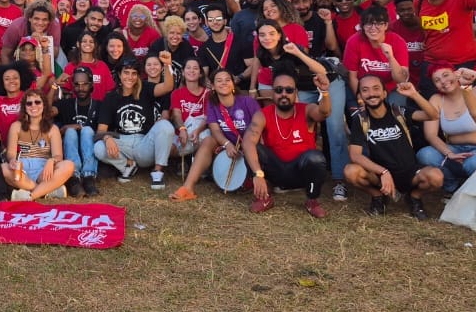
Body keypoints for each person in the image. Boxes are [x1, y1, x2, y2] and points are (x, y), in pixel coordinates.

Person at [344, 78, 443, 219]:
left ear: (385, 93)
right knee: (351, 171)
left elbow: (433, 115)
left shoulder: (399, 112)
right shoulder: (360, 120)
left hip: (409, 171)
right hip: (380, 175)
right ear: (360, 96)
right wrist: (383, 172)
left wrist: (414, 94)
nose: (371, 93)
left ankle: (414, 197)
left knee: (436, 177)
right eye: (365, 90)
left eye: (376, 88)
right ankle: (378, 198)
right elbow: (355, 155)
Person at [241, 71, 333, 217]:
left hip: (300, 173)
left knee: (315, 157)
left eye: (289, 90)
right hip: (276, 171)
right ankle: (265, 198)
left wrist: (325, 92)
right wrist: (257, 174)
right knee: (252, 147)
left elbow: (324, 113)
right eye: (279, 90)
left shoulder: (306, 109)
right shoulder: (263, 114)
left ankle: (312, 200)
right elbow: (248, 141)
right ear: (272, 93)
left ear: (295, 92)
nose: (284, 94)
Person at [171, 68, 260, 201]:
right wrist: (227, 144)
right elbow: (215, 130)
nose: (223, 83)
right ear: (212, 86)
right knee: (208, 140)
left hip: (250, 145)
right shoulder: (213, 105)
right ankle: (188, 187)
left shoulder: (248, 102)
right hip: (227, 145)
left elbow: (259, 128)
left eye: (227, 80)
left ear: (233, 84)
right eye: (219, 80)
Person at [412, 67, 476, 192]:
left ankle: (475, 191)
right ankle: (452, 188)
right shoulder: (436, 99)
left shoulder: (475, 92)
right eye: (437, 80)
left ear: (456, 74)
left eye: (446, 75)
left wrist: (473, 74)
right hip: (454, 151)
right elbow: (430, 135)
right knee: (425, 154)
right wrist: (449, 153)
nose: (443, 81)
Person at [94, 59, 177, 188]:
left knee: (165, 125)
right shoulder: (111, 97)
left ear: (138, 76)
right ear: (119, 75)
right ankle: (128, 165)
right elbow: (100, 130)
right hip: (122, 142)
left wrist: (167, 65)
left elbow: (167, 87)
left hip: (144, 143)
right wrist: (107, 138)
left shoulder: (145, 89)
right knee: (99, 147)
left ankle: (158, 172)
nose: (130, 77)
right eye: (126, 73)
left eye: (134, 73)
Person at [4, 89, 74, 201]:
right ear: (25, 107)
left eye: (37, 102)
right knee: (2, 168)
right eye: (29, 103)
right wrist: (12, 160)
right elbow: (11, 153)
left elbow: (58, 156)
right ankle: (46, 190)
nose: (33, 106)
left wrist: (51, 161)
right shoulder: (16, 126)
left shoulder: (53, 129)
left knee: (69, 165)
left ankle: (30, 196)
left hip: (44, 169)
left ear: (44, 105)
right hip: (22, 167)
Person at [57, 67, 102, 197]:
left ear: (91, 84)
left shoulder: (99, 105)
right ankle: (73, 178)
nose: (80, 88)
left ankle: (89, 177)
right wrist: (55, 86)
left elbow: (102, 132)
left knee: (87, 130)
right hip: (71, 153)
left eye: (84, 84)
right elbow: (46, 111)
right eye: (77, 84)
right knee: (70, 132)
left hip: (90, 153)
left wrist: (81, 127)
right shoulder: (66, 104)